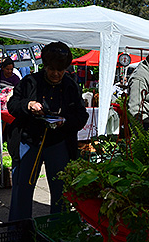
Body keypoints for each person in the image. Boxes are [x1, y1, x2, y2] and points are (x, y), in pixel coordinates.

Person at [7, 41, 88, 220]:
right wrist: (27, 105)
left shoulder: (71, 86)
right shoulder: (30, 81)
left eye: (61, 70)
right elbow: (12, 105)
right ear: (45, 66)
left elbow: (81, 116)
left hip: (58, 144)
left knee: (61, 191)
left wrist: (64, 121)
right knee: (23, 188)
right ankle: (19, 229)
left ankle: (59, 229)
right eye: (52, 69)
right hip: (30, 141)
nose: (56, 74)